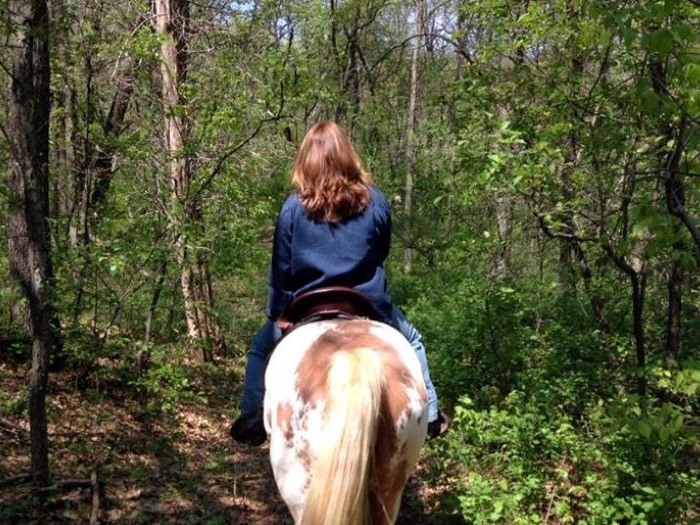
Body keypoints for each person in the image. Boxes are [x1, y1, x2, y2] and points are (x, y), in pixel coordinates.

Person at [230, 121, 449, 446]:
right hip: (366, 303)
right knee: (413, 341)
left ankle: (251, 419)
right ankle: (430, 416)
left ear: (306, 160)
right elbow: (381, 251)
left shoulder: (293, 207)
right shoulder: (376, 202)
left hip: (306, 304)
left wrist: (277, 312)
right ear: (347, 156)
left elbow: (281, 267)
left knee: (260, 348)